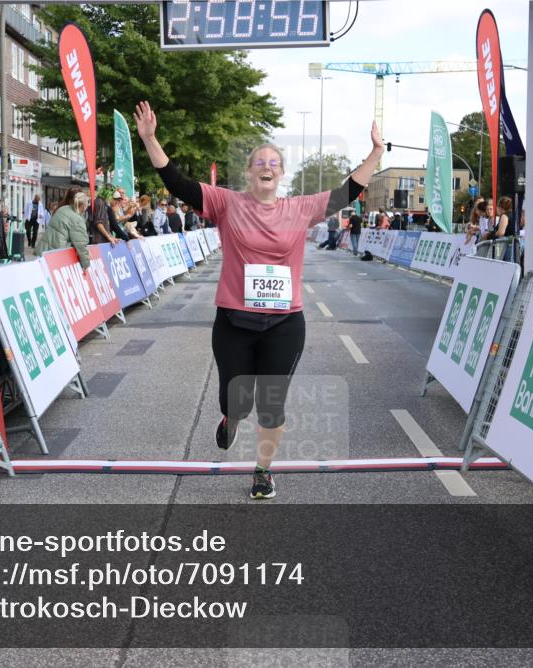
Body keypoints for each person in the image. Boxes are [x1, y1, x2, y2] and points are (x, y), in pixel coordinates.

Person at [134, 100, 383, 500]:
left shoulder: (300, 209)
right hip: (234, 321)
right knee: (238, 400)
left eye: (274, 162)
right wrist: (150, 139)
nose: (266, 166)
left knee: (270, 407)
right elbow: (178, 184)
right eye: (259, 162)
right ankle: (231, 418)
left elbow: (347, 192)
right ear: (250, 172)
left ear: (281, 174)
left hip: (284, 325)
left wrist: (375, 153)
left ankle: (262, 471)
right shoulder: (227, 203)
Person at [38, 192, 93, 268]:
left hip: (44, 251)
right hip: (57, 256)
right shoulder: (77, 219)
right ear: (84, 206)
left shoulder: (63, 209)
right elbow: (81, 245)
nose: (88, 206)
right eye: (88, 204)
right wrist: (86, 264)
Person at [494, 195, 519, 263]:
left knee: (507, 263)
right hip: (515, 243)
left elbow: (501, 232)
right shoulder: (515, 214)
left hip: (508, 245)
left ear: (500, 207)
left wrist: (494, 233)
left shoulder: (504, 216)